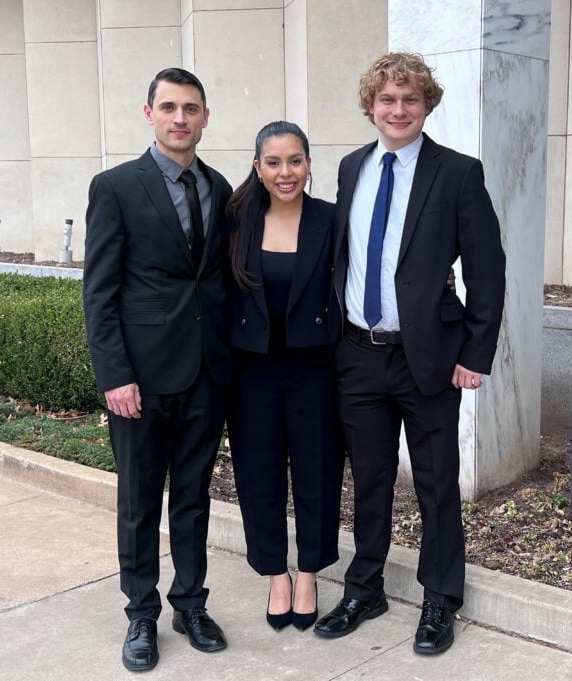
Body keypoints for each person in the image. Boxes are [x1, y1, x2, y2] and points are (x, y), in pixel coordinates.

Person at [313, 53, 506, 654]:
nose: (398, 110)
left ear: (427, 105)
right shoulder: (351, 168)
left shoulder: (458, 173)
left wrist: (476, 351)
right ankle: (365, 586)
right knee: (368, 481)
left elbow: (488, 269)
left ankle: (440, 599)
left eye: (411, 100)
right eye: (388, 100)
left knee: (436, 484)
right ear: (371, 105)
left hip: (429, 358)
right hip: (358, 354)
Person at [83, 67, 233, 672]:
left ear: (203, 116)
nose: (180, 118)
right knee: (141, 501)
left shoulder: (220, 187)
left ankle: (189, 603)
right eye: (168, 107)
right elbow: (100, 291)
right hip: (139, 380)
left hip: (205, 374)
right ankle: (140, 612)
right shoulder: (116, 186)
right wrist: (115, 375)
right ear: (149, 113)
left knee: (194, 497)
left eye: (190, 108)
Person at [224, 121, 342, 632]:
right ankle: (275, 572)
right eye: (273, 162)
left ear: (309, 164)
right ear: (258, 167)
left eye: (295, 160)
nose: (285, 172)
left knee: (318, 475)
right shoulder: (237, 222)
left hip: (315, 369)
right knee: (259, 476)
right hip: (252, 371)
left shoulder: (332, 221)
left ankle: (310, 572)